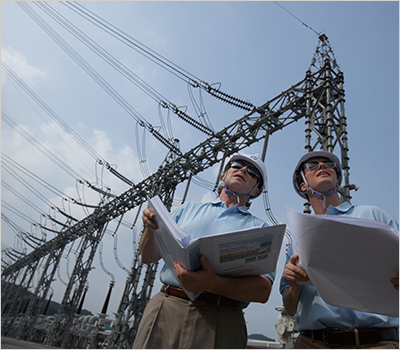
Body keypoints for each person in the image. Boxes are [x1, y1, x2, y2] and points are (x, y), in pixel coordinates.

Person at [133, 154, 274, 349]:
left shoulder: (261, 230)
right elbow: (148, 257)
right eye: (238, 165)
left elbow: (262, 291)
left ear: (256, 189)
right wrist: (150, 227)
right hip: (167, 307)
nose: (242, 170)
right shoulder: (186, 209)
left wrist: (213, 283)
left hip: (222, 318)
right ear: (223, 175)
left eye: (252, 172)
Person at [280, 150, 399, 348]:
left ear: (337, 180)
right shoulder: (298, 239)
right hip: (313, 343)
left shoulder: (372, 214)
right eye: (312, 165)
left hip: (377, 343)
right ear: (303, 184)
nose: (322, 166)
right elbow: (290, 308)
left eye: (328, 163)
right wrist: (294, 285)